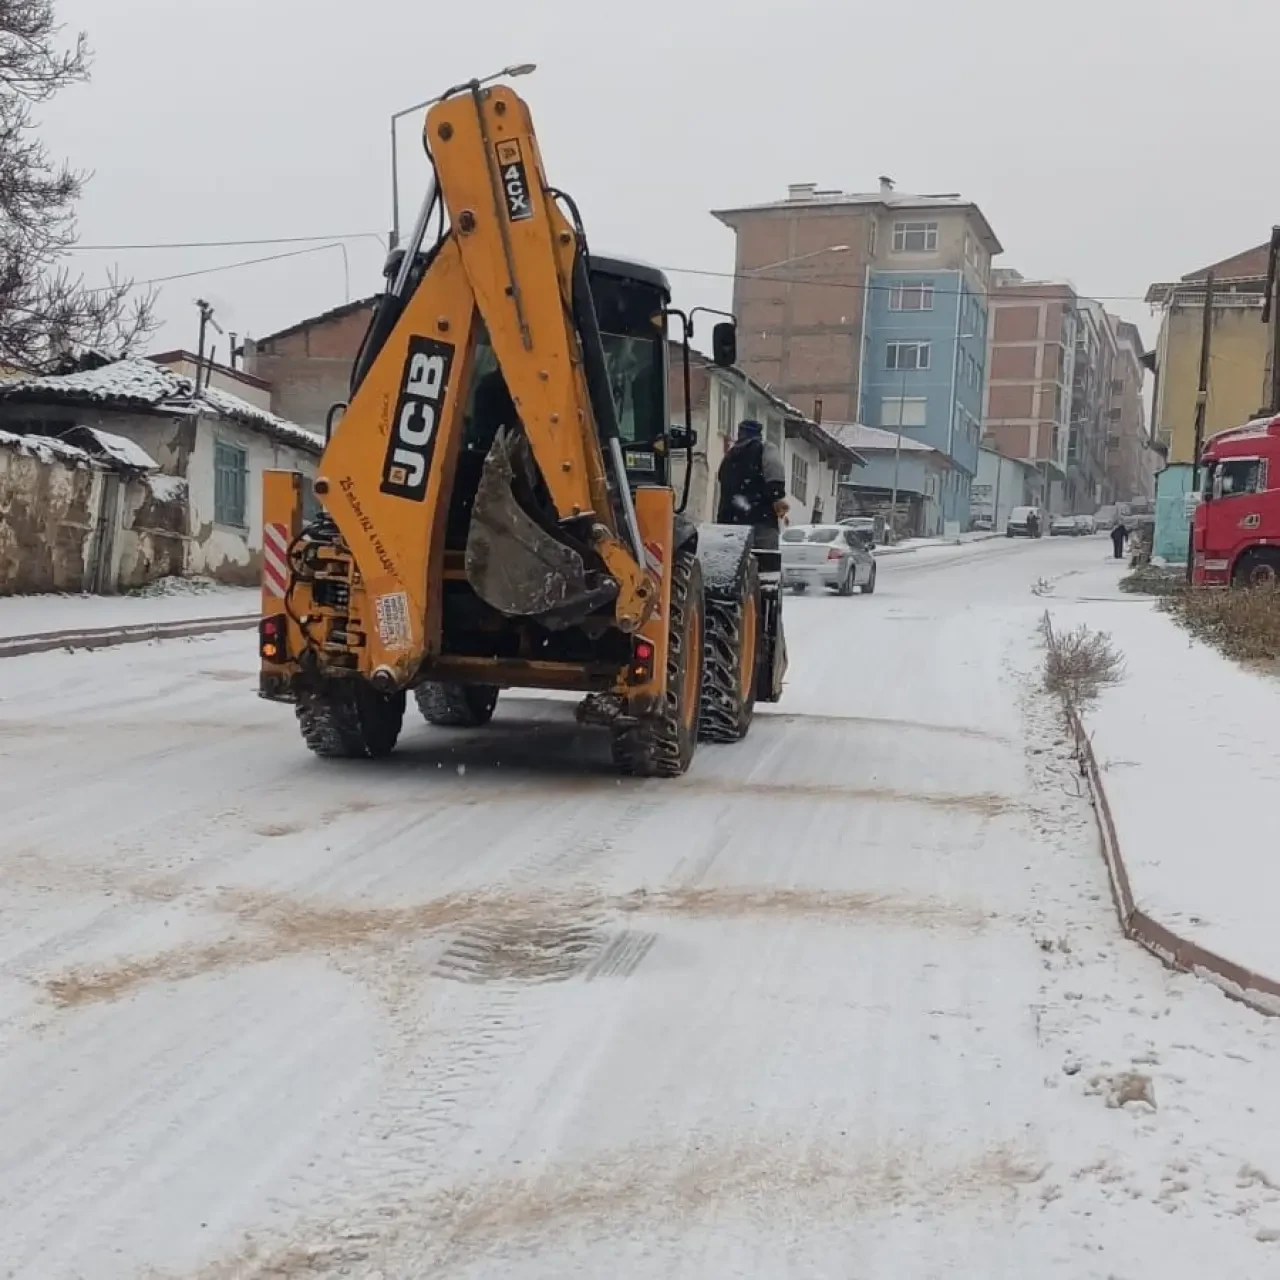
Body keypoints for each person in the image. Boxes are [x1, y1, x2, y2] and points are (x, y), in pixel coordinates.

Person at [716, 419, 788, 549]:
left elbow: (723, 482)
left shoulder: (730, 456)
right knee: (764, 564)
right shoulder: (766, 449)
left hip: (728, 524)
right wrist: (775, 498)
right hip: (760, 522)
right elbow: (776, 482)